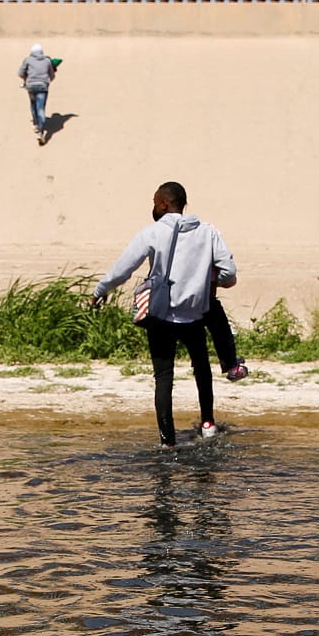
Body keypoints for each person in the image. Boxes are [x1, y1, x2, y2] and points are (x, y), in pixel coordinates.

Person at [91, 181, 238, 448]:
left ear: (163, 203)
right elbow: (228, 273)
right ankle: (207, 424)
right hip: (195, 315)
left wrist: (100, 290)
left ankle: (167, 442)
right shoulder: (208, 232)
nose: (153, 206)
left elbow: (124, 268)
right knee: (201, 368)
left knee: (164, 377)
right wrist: (208, 283)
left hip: (160, 317)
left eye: (154, 201)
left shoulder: (152, 233)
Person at [18, 43, 57, 144]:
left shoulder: (27, 60)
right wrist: (47, 81)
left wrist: (26, 80)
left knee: (33, 104)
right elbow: (52, 75)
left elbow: (21, 73)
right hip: (43, 86)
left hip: (30, 86)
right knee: (41, 108)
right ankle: (41, 130)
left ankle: (36, 123)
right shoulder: (47, 61)